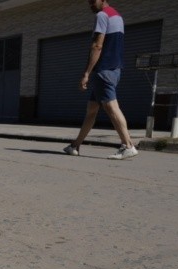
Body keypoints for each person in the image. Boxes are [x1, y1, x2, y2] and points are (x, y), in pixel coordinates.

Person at [64, 0, 138, 160]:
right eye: (89, 1)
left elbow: (97, 46)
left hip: (104, 70)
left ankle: (128, 145)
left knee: (111, 107)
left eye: (93, 1)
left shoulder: (102, 16)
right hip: (114, 68)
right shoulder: (116, 15)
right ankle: (75, 145)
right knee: (92, 110)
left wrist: (86, 73)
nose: (90, 4)